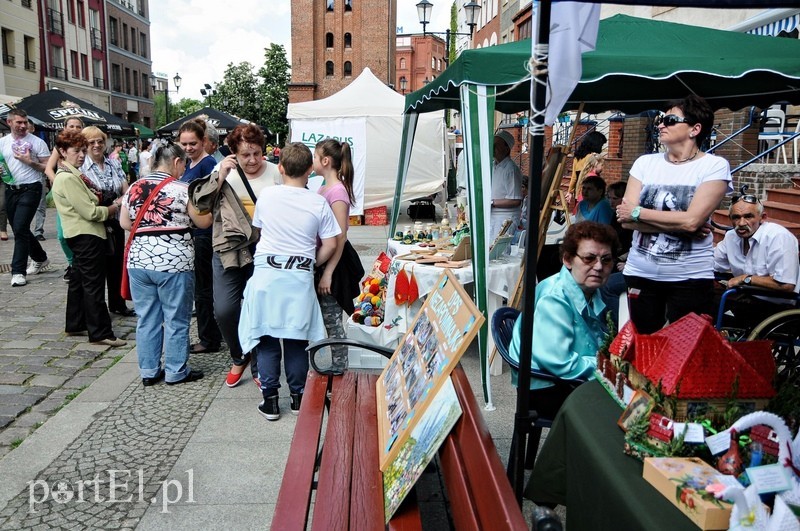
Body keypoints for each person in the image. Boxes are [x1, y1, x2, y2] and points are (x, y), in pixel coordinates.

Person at [239, 142, 340, 421]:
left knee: (268, 337)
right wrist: (313, 262)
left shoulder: (267, 196)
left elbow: (258, 230)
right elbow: (331, 243)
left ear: (280, 167)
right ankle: (297, 397)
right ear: (310, 170)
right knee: (297, 338)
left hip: (268, 275)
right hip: (298, 275)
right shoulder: (317, 201)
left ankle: (270, 400)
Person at [616, 94, 732, 334]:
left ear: (695, 128)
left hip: (690, 278)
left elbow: (691, 222)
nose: (660, 124)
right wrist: (682, 224)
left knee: (685, 350)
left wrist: (639, 212)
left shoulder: (713, 166)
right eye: (661, 119)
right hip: (641, 274)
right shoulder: (645, 163)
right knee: (643, 346)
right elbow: (625, 221)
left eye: (669, 120)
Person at [189, 124, 281, 388]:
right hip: (228, 248)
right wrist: (220, 176)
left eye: (257, 153)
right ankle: (239, 353)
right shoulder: (223, 173)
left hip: (264, 249)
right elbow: (201, 207)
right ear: (233, 153)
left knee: (261, 308)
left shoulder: (276, 173)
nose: (252, 160)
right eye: (245, 155)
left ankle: (259, 364)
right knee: (225, 309)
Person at [120, 142, 211, 386]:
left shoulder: (135, 187)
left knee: (147, 318)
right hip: (174, 262)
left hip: (139, 262)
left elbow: (125, 223)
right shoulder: (183, 189)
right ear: (178, 162)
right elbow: (202, 223)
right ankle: (175, 371)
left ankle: (149, 371)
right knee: (176, 318)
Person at [508, 221, 618, 418]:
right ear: (568, 259)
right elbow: (559, 363)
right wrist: (607, 369)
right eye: (589, 259)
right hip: (546, 386)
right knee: (625, 412)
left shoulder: (589, 289)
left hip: (563, 377)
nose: (599, 267)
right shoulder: (555, 298)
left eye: (606, 259)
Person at [50, 130, 126, 347]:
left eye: (83, 151)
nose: (82, 155)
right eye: (77, 151)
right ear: (63, 152)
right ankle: (100, 331)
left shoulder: (71, 174)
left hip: (81, 233)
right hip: (86, 234)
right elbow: (91, 212)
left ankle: (75, 323)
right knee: (93, 284)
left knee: (79, 280)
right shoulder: (67, 178)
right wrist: (114, 207)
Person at [314, 138, 364, 372]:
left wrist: (328, 273)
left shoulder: (337, 191)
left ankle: (340, 366)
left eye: (315, 157)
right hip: (326, 261)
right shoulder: (325, 187)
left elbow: (340, 236)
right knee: (326, 317)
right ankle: (336, 364)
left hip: (334, 264)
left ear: (325, 161)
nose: (313, 161)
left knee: (332, 318)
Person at [713, 194, 799, 327]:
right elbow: (713, 264)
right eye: (736, 217)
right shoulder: (731, 237)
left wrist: (746, 278)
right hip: (747, 297)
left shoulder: (777, 237)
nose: (741, 223)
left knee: (710, 304)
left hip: (777, 305)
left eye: (748, 216)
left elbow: (786, 284)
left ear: (762, 218)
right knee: (698, 295)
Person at [179, 118, 223, 355]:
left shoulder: (206, 165)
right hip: (196, 232)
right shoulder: (190, 164)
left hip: (204, 234)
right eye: (184, 143)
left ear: (204, 141)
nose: (188, 148)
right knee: (204, 287)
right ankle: (212, 334)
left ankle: (209, 338)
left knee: (203, 289)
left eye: (192, 143)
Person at [80, 126, 133, 317]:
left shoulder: (113, 164)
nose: (96, 145)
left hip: (115, 221)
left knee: (117, 263)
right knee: (97, 267)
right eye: (91, 142)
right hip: (94, 222)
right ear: (84, 145)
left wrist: (123, 200)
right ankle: (96, 308)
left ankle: (118, 303)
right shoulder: (81, 167)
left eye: (100, 141)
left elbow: (125, 189)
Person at [1, 109, 51, 287]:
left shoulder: (37, 142)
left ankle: (18, 271)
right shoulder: (2, 143)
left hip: (32, 187)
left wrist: (30, 162)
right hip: (11, 188)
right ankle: (40, 257)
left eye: (25, 122)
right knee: (18, 228)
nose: (23, 126)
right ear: (9, 123)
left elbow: (48, 167)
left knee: (21, 227)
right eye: (19, 123)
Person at [45, 117, 85, 282]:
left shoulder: (86, 145)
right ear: (65, 127)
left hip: (83, 191)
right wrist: (58, 183)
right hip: (65, 192)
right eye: (71, 126)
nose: (74, 128)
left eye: (78, 126)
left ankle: (81, 263)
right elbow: (48, 168)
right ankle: (72, 262)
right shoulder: (60, 147)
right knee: (62, 235)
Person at [600, 180, 633, 327]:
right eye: (609, 198)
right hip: (617, 259)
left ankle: (615, 327)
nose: (611, 202)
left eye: (615, 198)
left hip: (628, 264)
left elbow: (633, 246)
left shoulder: (632, 221)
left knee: (604, 284)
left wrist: (624, 260)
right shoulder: (615, 215)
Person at [490, 130, 523, 240]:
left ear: (506, 148)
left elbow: (515, 200)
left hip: (506, 217)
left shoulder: (511, 169)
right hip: (494, 216)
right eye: (492, 144)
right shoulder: (494, 165)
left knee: (500, 252)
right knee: (490, 250)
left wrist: (492, 202)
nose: (493, 148)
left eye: (496, 145)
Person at [565, 131, 606, 206]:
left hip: (579, 192)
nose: (602, 148)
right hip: (589, 193)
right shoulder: (592, 157)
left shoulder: (577, 158)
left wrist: (570, 192)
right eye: (601, 145)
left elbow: (574, 177)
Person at [30, 121, 49, 242]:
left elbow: (46, 164)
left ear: (32, 128)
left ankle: (38, 231)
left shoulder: (39, 143)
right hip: (16, 181)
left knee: (40, 206)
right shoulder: (9, 142)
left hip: (38, 178)